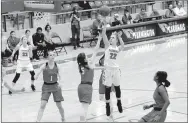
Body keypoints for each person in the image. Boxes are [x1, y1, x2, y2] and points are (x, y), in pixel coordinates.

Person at [77, 34, 104, 122]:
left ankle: (83, 120)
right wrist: (99, 40)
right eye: (86, 56)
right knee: (84, 108)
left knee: (83, 107)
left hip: (81, 87)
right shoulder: (89, 64)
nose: (87, 57)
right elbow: (95, 51)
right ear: (84, 59)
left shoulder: (81, 65)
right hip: (87, 87)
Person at [101, 22, 125, 118]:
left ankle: (119, 102)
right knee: (107, 88)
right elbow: (103, 34)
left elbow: (123, 45)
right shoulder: (108, 46)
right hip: (108, 70)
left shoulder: (117, 48)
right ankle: (107, 105)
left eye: (112, 38)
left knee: (118, 87)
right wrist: (104, 25)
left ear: (116, 41)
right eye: (110, 37)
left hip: (116, 70)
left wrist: (119, 36)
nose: (111, 38)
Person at [35, 50, 65, 122]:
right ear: (47, 57)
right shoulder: (44, 66)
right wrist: (36, 76)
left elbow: (60, 76)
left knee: (59, 105)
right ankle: (37, 121)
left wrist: (60, 82)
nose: (52, 56)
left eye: (53, 55)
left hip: (55, 86)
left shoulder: (57, 66)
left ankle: (63, 118)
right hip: (46, 87)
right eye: (50, 55)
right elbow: (38, 73)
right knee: (42, 105)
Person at [98, 54, 116, 121]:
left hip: (109, 80)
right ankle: (109, 107)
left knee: (109, 99)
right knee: (101, 98)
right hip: (102, 79)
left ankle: (111, 115)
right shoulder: (102, 59)